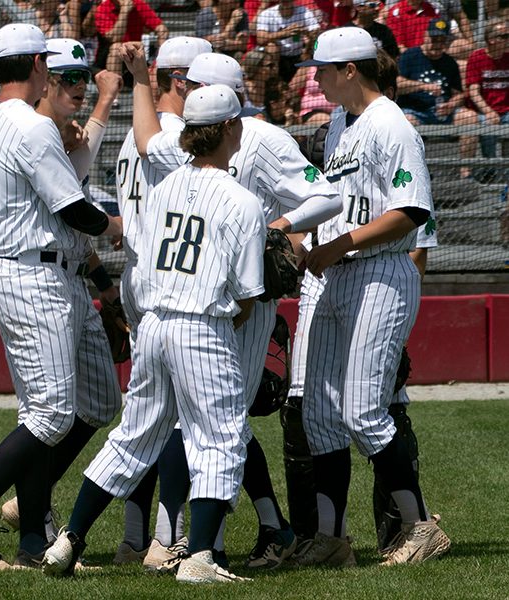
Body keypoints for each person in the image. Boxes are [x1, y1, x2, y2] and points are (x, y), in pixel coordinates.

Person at [42, 81, 265, 585]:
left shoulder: (161, 188)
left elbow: (140, 267)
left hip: (155, 323)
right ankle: (202, 558)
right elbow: (250, 293)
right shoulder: (243, 201)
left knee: (133, 435)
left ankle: (69, 541)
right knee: (221, 438)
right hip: (202, 325)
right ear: (231, 128)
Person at [132, 48, 343, 571]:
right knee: (213, 425)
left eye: (190, 82)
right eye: (182, 83)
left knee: (215, 427)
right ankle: (262, 528)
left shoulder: (264, 137)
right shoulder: (198, 135)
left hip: (247, 299)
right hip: (205, 295)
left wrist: (277, 227)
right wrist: (138, 83)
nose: (182, 90)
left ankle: (203, 543)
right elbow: (146, 143)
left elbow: (327, 198)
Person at [0, 22, 123, 567]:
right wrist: (117, 226)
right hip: (32, 273)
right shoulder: (32, 127)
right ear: (37, 66)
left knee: (92, 403)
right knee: (49, 418)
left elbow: (59, 187)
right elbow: (73, 209)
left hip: (39, 270)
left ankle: (31, 539)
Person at [291, 26, 449, 567]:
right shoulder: (340, 123)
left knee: (362, 411)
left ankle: (421, 526)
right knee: (319, 415)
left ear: (351, 70)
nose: (316, 78)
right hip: (340, 273)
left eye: (323, 69)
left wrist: (339, 246)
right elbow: (335, 202)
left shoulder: (391, 125)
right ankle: (332, 539)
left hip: (381, 271)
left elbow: (412, 212)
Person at [112, 35, 212, 569]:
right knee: (180, 420)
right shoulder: (173, 133)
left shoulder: (138, 130)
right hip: (165, 285)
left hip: (136, 274)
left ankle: (134, 537)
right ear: (181, 81)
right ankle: (163, 537)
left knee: (144, 414)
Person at [396, 18, 477, 177]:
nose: (437, 44)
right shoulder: (410, 56)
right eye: (434, 39)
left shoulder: (449, 62)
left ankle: (465, 171)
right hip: (414, 110)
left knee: (470, 117)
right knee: (406, 121)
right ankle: (413, 170)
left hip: (441, 111)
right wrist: (423, 86)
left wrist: (451, 104)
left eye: (442, 40)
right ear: (425, 36)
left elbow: (459, 94)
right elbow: (397, 85)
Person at [466, 18, 509, 160]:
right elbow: (473, 91)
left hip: (506, 111)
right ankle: (490, 166)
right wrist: (489, 112)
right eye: (504, 36)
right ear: (491, 40)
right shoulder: (477, 57)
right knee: (488, 123)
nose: (507, 39)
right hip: (484, 112)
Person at [88, 0, 168, 74]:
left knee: (162, 30)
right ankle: (113, 85)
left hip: (133, 55)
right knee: (116, 47)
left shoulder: (138, 4)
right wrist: (124, 11)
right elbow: (115, 38)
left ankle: (161, 65)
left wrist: (159, 59)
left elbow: (160, 28)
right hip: (106, 60)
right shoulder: (103, 8)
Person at [255, 0, 320, 82]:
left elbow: (316, 32)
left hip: (299, 55)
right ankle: (274, 82)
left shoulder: (304, 11)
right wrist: (285, 33)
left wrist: (304, 31)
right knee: (272, 47)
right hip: (277, 58)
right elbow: (260, 39)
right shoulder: (267, 14)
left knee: (311, 45)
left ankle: (292, 89)